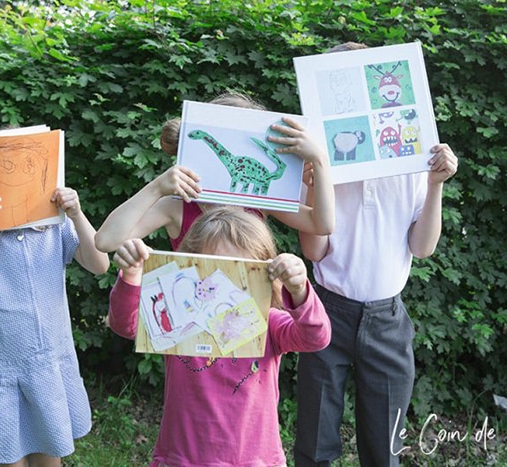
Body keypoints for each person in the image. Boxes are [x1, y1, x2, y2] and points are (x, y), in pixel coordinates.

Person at [293, 42, 459, 467]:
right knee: (314, 444)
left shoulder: (410, 158)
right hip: (326, 310)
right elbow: (314, 250)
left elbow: (422, 249)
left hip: (386, 319)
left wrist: (436, 182)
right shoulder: (317, 167)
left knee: (384, 450)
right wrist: (314, 183)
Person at [108, 206, 332, 466]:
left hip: (254, 460)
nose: (223, 285)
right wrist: (132, 275)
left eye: (240, 273)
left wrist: (299, 290)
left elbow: (316, 337)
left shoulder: (266, 322)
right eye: (212, 270)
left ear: (262, 276)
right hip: (182, 459)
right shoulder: (181, 320)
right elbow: (126, 325)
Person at [0, 161, 110, 466]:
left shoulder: (55, 226)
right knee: (7, 457)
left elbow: (100, 264)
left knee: (49, 459)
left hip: (49, 366)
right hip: (2, 375)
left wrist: (77, 214)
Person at [93, 91, 335, 253]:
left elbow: (321, 225)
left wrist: (320, 161)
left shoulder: (258, 199)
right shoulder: (177, 206)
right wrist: (156, 187)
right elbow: (105, 241)